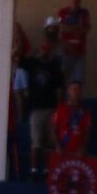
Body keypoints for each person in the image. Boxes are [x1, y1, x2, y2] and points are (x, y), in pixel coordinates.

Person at [20, 34, 65, 176]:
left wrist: (58, 109)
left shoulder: (54, 66)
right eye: (43, 47)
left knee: (49, 143)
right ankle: (34, 170)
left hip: (51, 109)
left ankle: (47, 170)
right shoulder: (33, 63)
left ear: (51, 49)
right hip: (36, 109)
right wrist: (31, 52)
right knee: (36, 142)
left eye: (48, 48)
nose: (45, 50)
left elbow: (59, 88)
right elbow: (17, 59)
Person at [55, 0, 91, 88]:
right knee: (62, 81)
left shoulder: (85, 13)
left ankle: (75, 102)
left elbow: (86, 29)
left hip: (79, 52)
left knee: (77, 82)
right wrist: (76, 28)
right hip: (65, 51)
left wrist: (70, 28)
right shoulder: (63, 12)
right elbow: (61, 28)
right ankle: (62, 103)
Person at [53, 81, 91, 156]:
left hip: (79, 153)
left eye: (78, 89)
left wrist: (83, 148)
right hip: (62, 151)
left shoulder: (86, 112)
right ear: (68, 91)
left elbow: (87, 133)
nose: (76, 92)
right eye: (74, 89)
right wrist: (58, 145)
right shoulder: (60, 109)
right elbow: (54, 129)